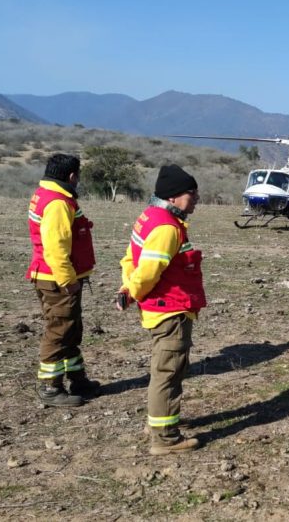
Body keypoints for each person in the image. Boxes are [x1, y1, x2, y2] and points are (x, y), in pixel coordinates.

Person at [118, 165, 205, 455]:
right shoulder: (167, 228)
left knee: (163, 369)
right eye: (191, 193)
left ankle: (156, 424)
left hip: (161, 308)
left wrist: (127, 289)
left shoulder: (149, 217)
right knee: (168, 372)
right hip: (170, 311)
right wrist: (133, 291)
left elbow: (131, 258)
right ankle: (165, 438)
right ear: (173, 197)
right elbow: (148, 272)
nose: (196, 199)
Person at [27, 153, 99, 407]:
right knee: (59, 332)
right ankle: (50, 387)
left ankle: (77, 379)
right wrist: (69, 280)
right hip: (57, 280)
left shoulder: (46, 194)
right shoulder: (57, 203)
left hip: (54, 277)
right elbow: (55, 247)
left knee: (70, 329)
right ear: (71, 176)